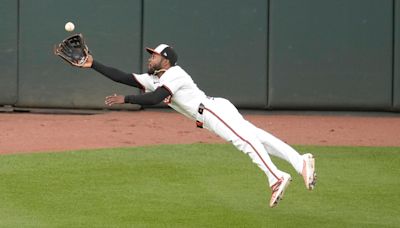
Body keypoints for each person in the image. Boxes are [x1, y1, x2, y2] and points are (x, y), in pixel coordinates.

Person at [80, 44, 316, 208]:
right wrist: (93, 64)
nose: (150, 58)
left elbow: (154, 99)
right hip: (213, 112)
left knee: (245, 141)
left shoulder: (174, 73)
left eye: (154, 55)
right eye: (150, 55)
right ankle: (300, 161)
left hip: (213, 111)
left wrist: (127, 99)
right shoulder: (155, 78)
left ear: (166, 59)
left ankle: (276, 176)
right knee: (257, 136)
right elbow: (123, 77)